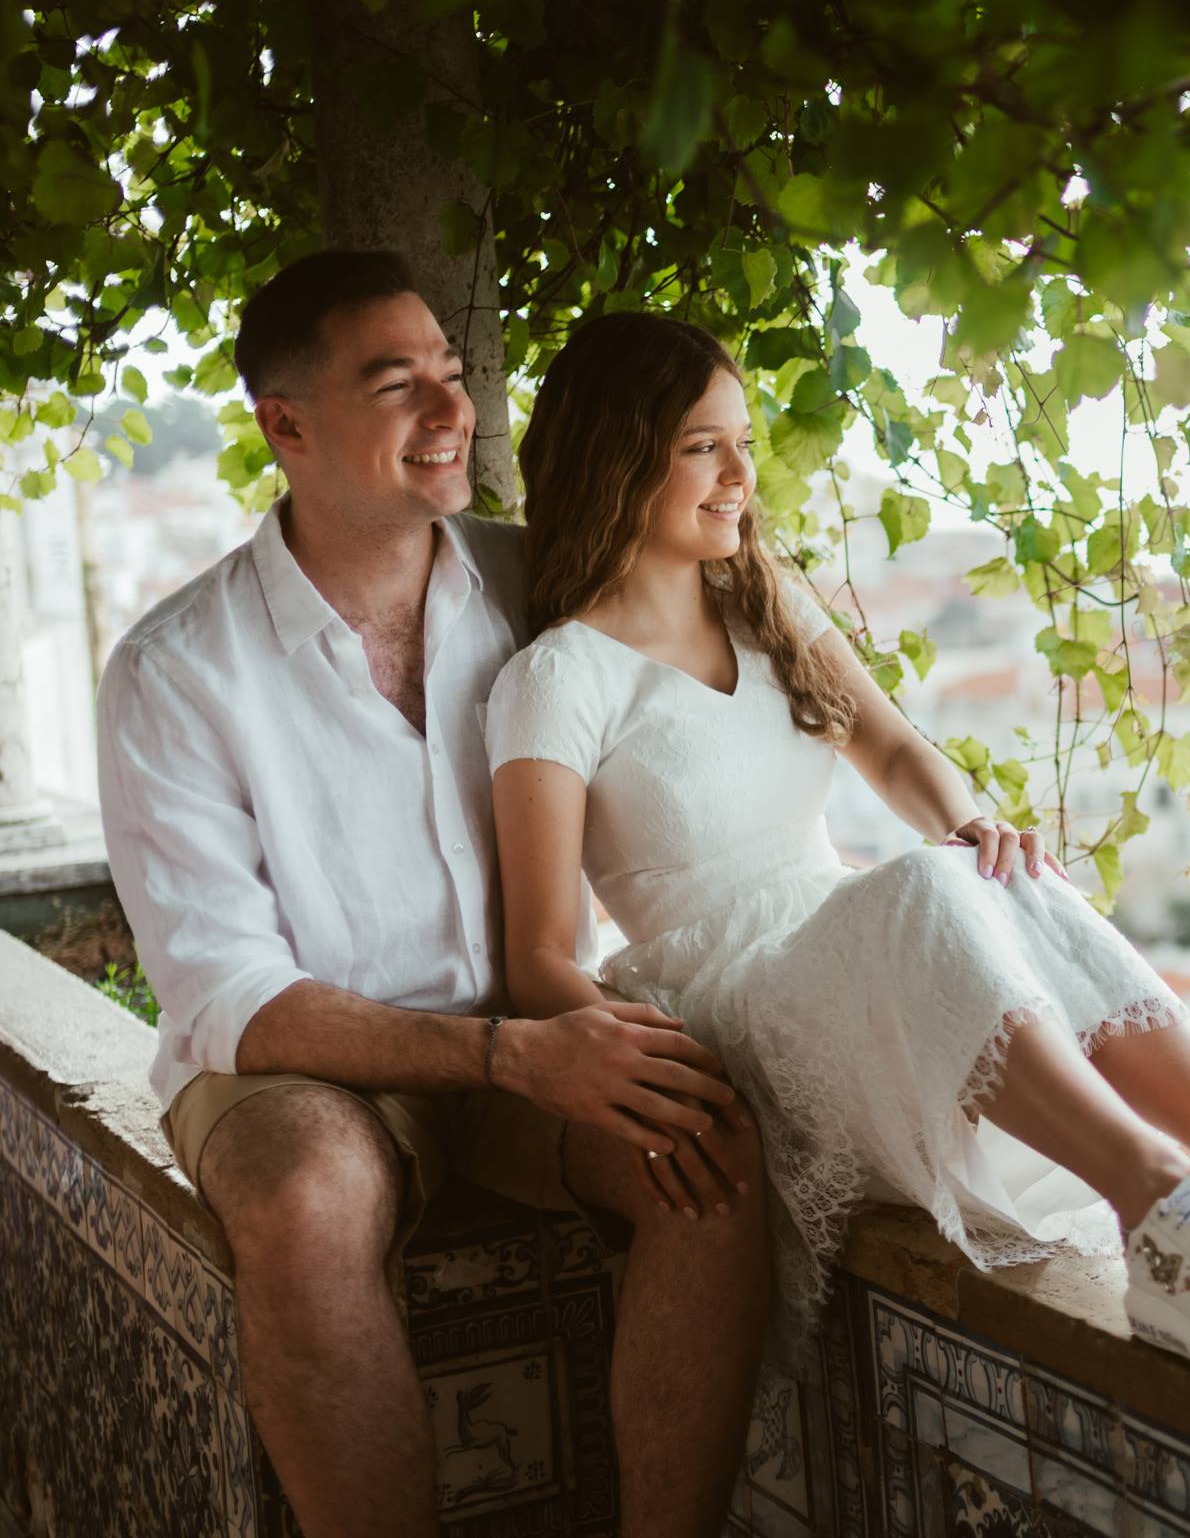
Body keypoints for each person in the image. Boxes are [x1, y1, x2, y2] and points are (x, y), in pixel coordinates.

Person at [485, 311, 1190, 1376]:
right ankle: (1161, 1206)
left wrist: (970, 826)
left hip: (839, 947)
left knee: (997, 869)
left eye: (744, 443)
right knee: (920, 886)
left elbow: (896, 749)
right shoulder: (556, 679)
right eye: (701, 447)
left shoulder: (766, 603)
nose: (739, 476)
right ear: (618, 458)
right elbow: (538, 954)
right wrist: (653, 1079)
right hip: (730, 1011)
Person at [96, 253, 774, 1538]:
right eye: (395, 383)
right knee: (302, 1196)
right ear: (286, 424)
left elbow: (753, 642)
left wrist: (938, 806)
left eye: (450, 374)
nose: (451, 410)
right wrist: (511, 1054)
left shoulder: (540, 581)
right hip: (306, 1065)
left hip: (528, 1028)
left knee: (708, 1151)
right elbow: (232, 995)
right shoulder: (175, 670)